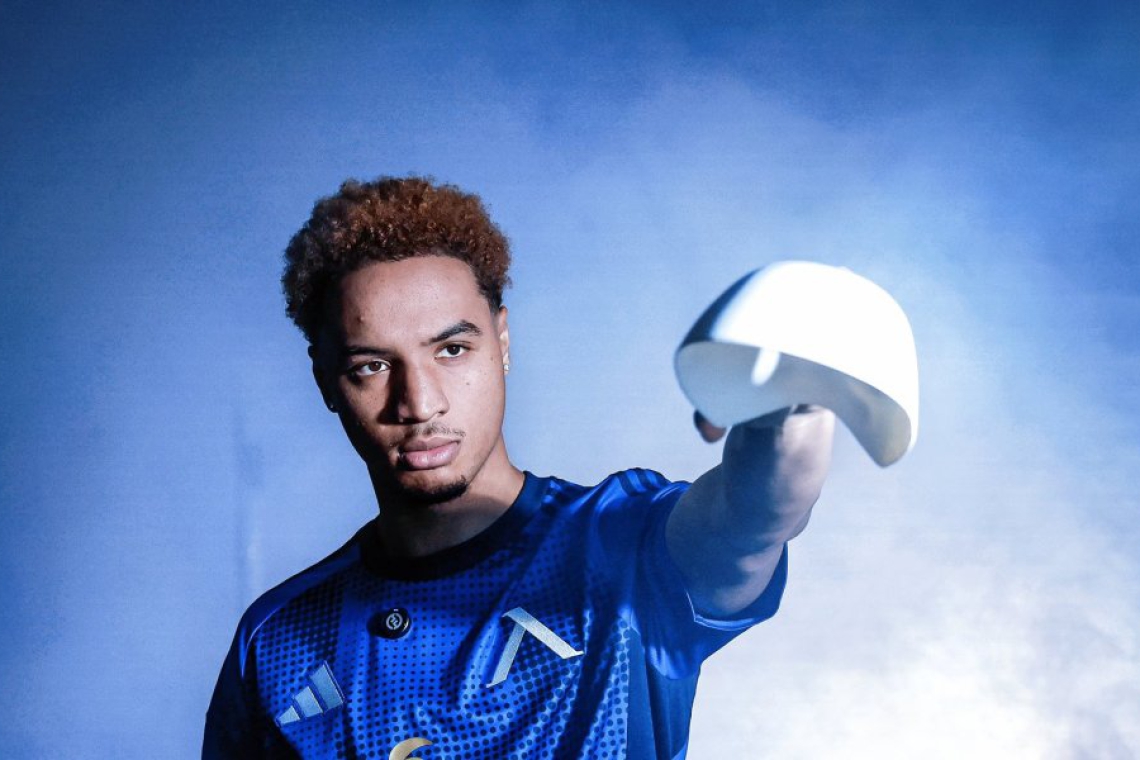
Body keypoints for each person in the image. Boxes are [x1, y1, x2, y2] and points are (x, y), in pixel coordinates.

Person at [203, 176, 835, 759]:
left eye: (452, 349)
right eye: (372, 366)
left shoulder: (617, 544)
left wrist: (785, 417)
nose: (419, 403)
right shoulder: (279, 638)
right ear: (325, 380)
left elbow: (750, 521)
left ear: (501, 342)